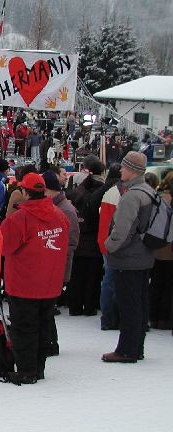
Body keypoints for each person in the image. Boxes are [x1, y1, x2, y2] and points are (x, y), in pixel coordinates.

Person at [0, 173, 69, 384]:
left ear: (25, 192)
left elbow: (3, 247)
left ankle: (26, 371)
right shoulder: (60, 215)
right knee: (43, 326)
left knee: (23, 328)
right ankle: (38, 368)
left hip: (24, 284)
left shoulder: (19, 219)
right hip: (50, 283)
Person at [103, 152, 156, 363]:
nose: (120, 171)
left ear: (132, 170)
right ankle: (136, 347)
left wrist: (109, 246)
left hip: (128, 258)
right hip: (144, 255)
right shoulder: (149, 191)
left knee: (129, 305)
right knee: (140, 303)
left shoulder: (132, 196)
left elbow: (121, 230)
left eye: (123, 168)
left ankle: (126, 349)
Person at [43, 170, 80, 354]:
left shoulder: (65, 209)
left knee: (47, 308)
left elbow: (71, 243)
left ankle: (50, 343)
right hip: (53, 265)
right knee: (46, 308)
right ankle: (49, 342)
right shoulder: (57, 207)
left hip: (57, 267)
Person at [68, 159, 105, 316]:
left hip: (79, 238)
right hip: (94, 238)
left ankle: (74, 306)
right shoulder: (102, 190)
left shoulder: (78, 188)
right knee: (92, 276)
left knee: (77, 275)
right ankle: (90, 306)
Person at [95, 163, 123, 330]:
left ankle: (109, 317)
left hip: (109, 243)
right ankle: (109, 317)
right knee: (111, 281)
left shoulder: (111, 193)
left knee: (109, 281)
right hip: (113, 245)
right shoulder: (115, 194)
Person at [150, 171, 173, 330]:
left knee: (157, 282)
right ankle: (164, 318)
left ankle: (154, 316)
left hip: (156, 246)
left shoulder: (157, 199)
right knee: (168, 285)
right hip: (169, 247)